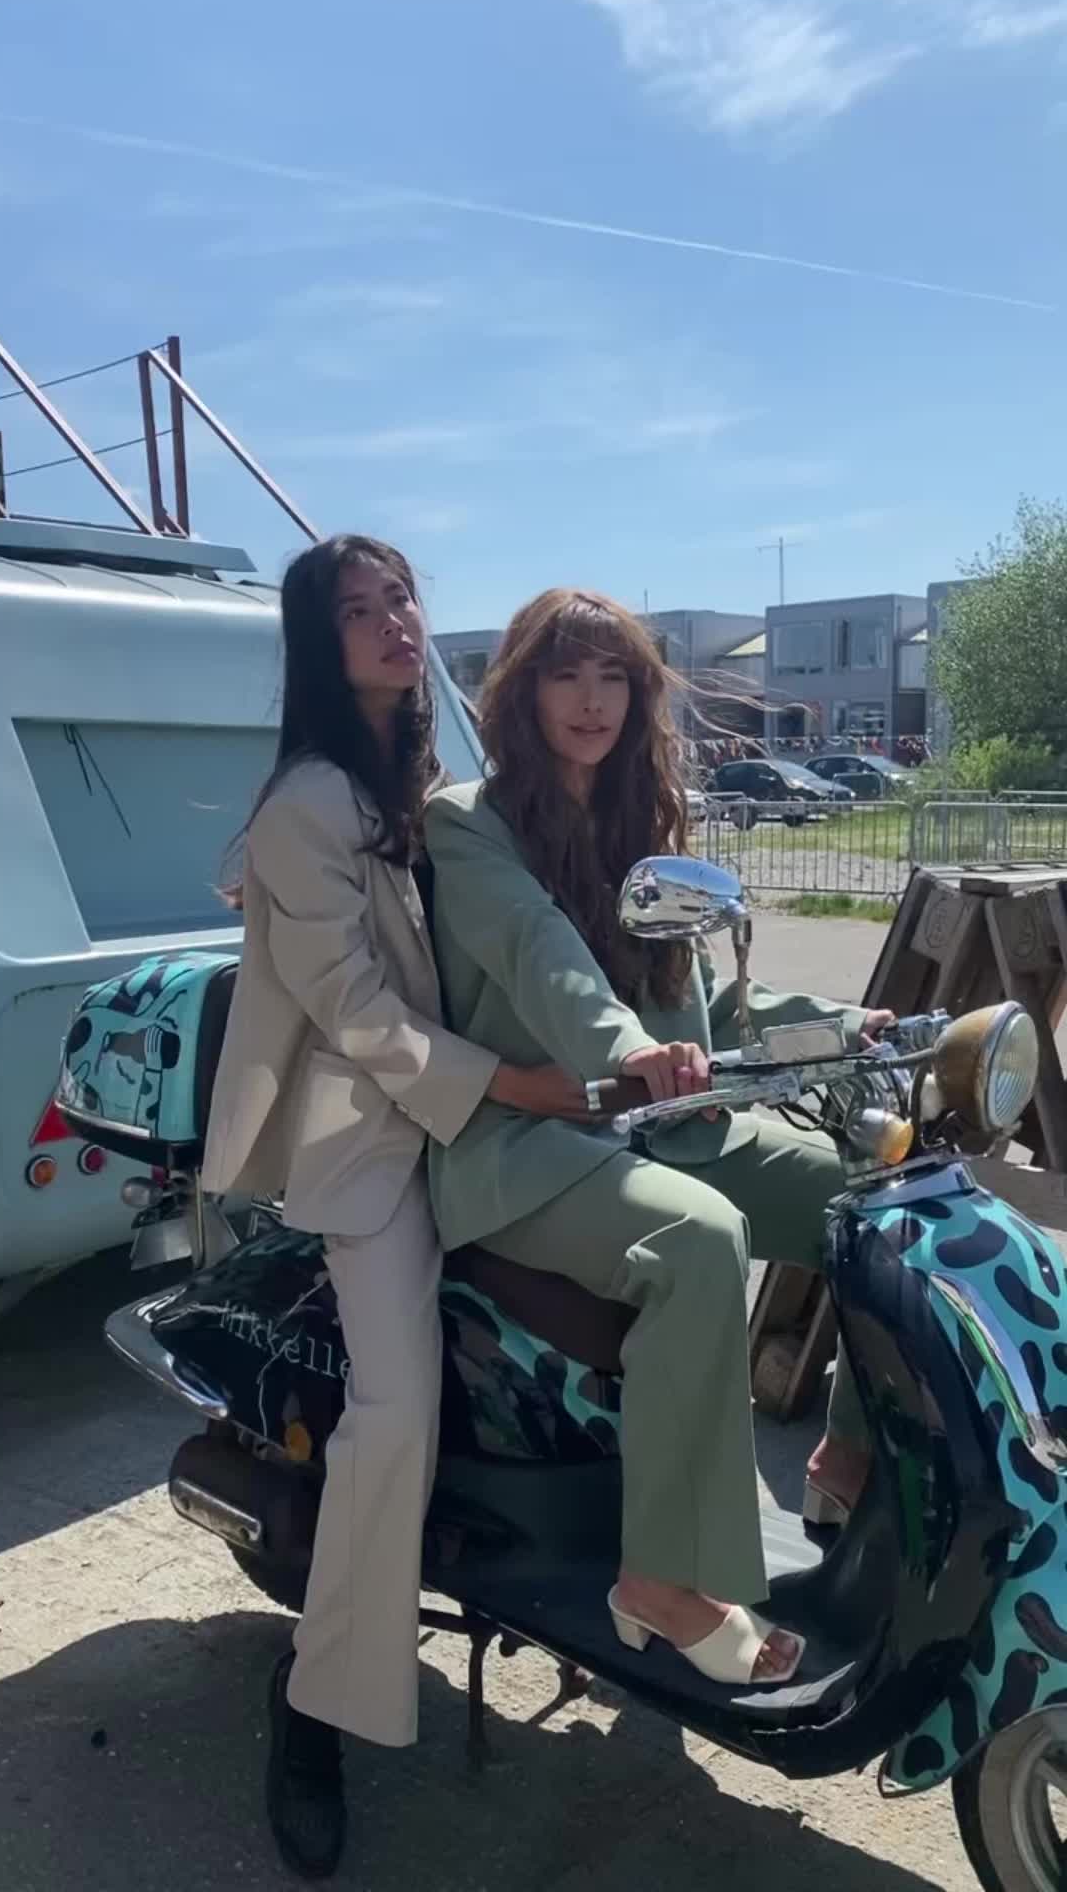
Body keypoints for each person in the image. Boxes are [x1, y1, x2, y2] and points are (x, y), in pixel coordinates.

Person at [202, 539, 591, 1879]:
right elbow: (359, 1015)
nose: (390, 623)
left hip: (486, 1104)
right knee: (398, 1413)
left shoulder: (436, 782)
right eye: (357, 611)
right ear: (322, 645)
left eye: (401, 599)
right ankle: (314, 1708)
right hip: (369, 1136)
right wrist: (522, 1088)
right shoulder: (305, 804)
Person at [424, 588, 891, 1691]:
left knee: (881, 1196)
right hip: (522, 1141)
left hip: (658, 1123)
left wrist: (840, 1027)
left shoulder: (644, 821)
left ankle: (851, 1455)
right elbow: (541, 953)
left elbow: (704, 1000)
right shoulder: (468, 821)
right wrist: (629, 1048)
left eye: (614, 678)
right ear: (521, 691)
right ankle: (662, 1578)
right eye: (565, 675)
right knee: (698, 1238)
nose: (591, 701)